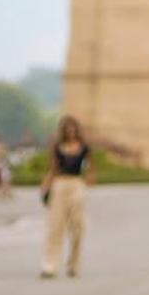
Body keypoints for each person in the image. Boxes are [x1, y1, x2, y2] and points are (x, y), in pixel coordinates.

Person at [39, 115, 95, 279]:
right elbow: (52, 168)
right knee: (54, 227)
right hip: (59, 185)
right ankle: (49, 265)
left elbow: (91, 169)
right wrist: (45, 186)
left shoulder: (84, 148)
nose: (71, 131)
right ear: (63, 131)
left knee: (78, 227)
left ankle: (73, 264)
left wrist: (88, 181)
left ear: (77, 130)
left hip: (76, 184)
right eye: (67, 129)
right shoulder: (57, 147)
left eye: (73, 128)